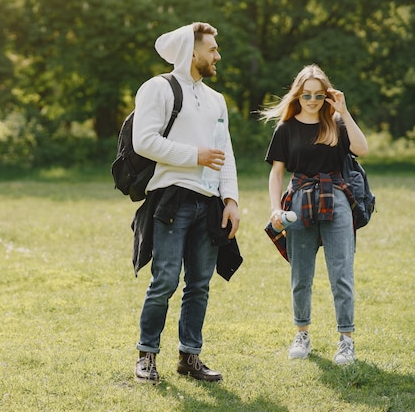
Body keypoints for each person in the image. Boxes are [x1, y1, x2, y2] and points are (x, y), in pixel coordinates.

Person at [130, 22, 241, 384]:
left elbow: (225, 153)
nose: (217, 56)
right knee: (164, 279)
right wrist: (195, 155)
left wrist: (231, 199)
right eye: (212, 49)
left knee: (200, 284)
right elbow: (143, 141)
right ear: (191, 53)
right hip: (172, 199)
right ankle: (147, 356)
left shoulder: (216, 99)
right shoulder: (157, 88)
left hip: (209, 204)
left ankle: (189, 357)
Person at [261, 64, 368, 365]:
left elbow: (363, 148)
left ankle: (346, 341)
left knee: (341, 274)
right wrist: (275, 208)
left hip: (336, 200)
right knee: (301, 275)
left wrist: (344, 111)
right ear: (298, 94)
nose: (312, 100)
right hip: (299, 202)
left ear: (327, 96)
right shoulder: (286, 128)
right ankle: (302, 334)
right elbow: (277, 173)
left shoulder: (336, 123)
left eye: (319, 95)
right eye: (306, 95)